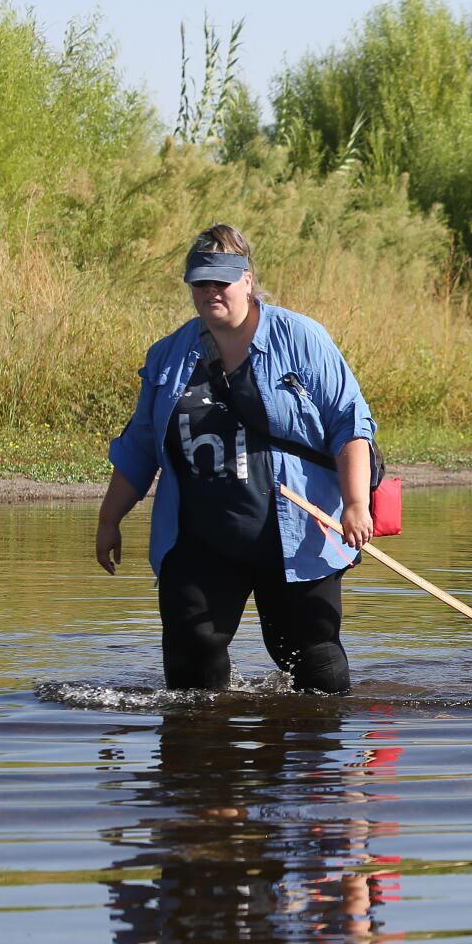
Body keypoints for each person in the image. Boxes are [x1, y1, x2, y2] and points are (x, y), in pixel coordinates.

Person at [96, 223, 375, 693]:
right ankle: (201, 756)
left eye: (221, 280)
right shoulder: (168, 357)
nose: (210, 292)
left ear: (247, 279)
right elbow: (142, 445)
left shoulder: (302, 339)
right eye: (199, 282)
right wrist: (109, 519)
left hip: (296, 531)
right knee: (190, 658)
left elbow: (350, 425)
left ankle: (320, 760)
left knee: (311, 657)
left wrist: (354, 504)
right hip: (201, 537)